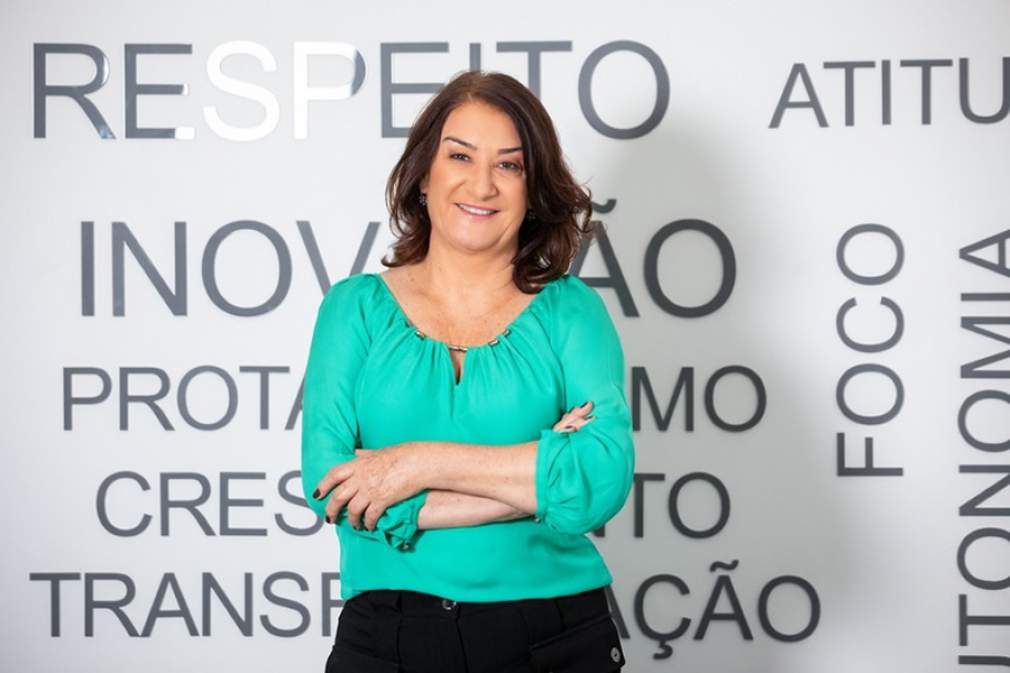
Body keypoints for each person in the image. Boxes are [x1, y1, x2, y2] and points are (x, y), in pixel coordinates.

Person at [301, 69, 635, 673]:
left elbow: (599, 479)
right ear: (423, 175)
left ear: (533, 190)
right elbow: (334, 489)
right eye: (460, 155)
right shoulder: (354, 308)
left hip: (555, 635)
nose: (482, 184)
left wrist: (415, 464)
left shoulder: (571, 311)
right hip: (387, 636)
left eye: (509, 165)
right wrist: (534, 482)